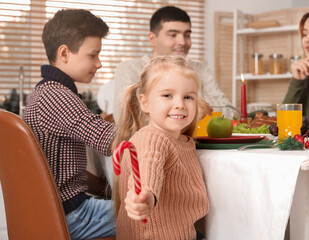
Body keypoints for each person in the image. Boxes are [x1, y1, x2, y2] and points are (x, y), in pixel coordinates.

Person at [22, 9, 116, 240]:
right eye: (93, 55)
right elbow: (110, 140)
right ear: (64, 52)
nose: (100, 63)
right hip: (72, 215)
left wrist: (107, 191)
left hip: (64, 210)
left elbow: (66, 173)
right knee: (167, 213)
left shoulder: (46, 92)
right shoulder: (56, 96)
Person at [112, 55, 209, 239]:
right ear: (144, 102)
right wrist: (146, 196)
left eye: (188, 97)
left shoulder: (182, 140)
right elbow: (149, 167)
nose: (180, 104)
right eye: (167, 95)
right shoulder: (152, 138)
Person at [110, 5, 234, 122]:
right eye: (173, 35)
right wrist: (193, 107)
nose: (182, 42)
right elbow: (126, 118)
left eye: (187, 35)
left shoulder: (200, 69)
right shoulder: (130, 69)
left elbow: (228, 112)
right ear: (153, 39)